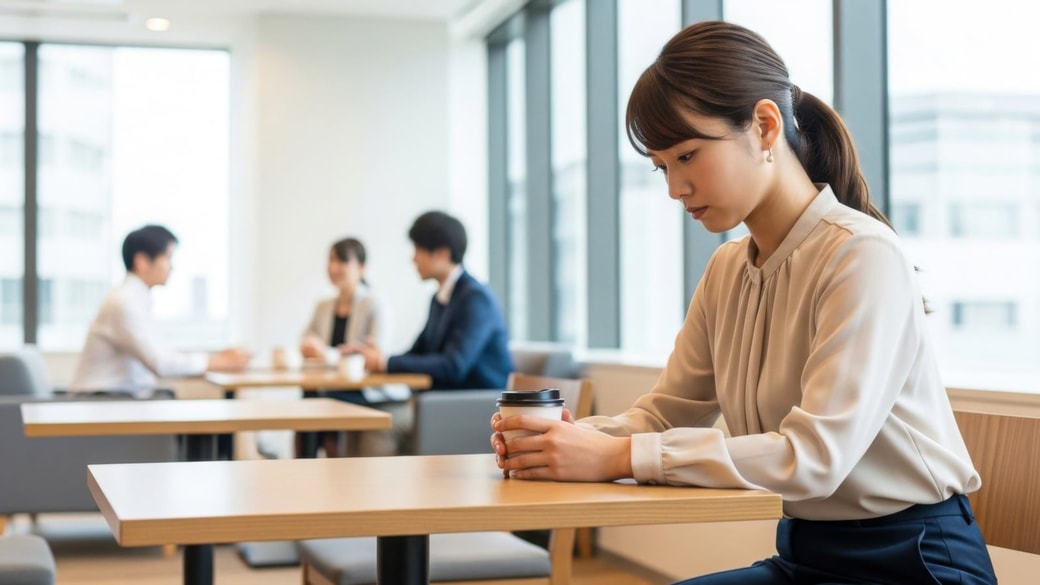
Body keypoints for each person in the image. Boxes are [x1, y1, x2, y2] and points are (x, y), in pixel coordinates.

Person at [491, 21, 997, 585]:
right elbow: (666, 412)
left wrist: (614, 458)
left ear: (764, 125)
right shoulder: (728, 268)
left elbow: (814, 457)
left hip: (916, 562)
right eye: (662, 167)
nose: (674, 189)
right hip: (806, 556)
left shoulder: (862, 255)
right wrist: (574, 440)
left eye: (686, 156)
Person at [69, 224, 250, 396]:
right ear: (142, 261)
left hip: (121, 397)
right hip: (103, 402)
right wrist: (217, 362)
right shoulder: (123, 302)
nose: (172, 267)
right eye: (168, 257)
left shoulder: (135, 299)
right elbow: (161, 364)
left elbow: (163, 356)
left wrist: (214, 361)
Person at [349, 211, 513, 390]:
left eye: (418, 250)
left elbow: (454, 365)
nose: (413, 259)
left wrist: (385, 363)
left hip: (477, 402)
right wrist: (381, 358)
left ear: (442, 253)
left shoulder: (476, 298)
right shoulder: (440, 298)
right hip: (442, 400)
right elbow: (420, 352)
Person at [297, 237, 408, 457]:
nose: (333, 267)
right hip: (330, 386)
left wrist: (325, 354)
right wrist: (309, 347)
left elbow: (373, 356)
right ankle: (307, 465)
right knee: (308, 401)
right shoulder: (323, 306)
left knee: (318, 404)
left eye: (342, 261)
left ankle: (324, 460)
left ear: (362, 268)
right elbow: (305, 339)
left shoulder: (375, 304)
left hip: (365, 390)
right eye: (330, 261)